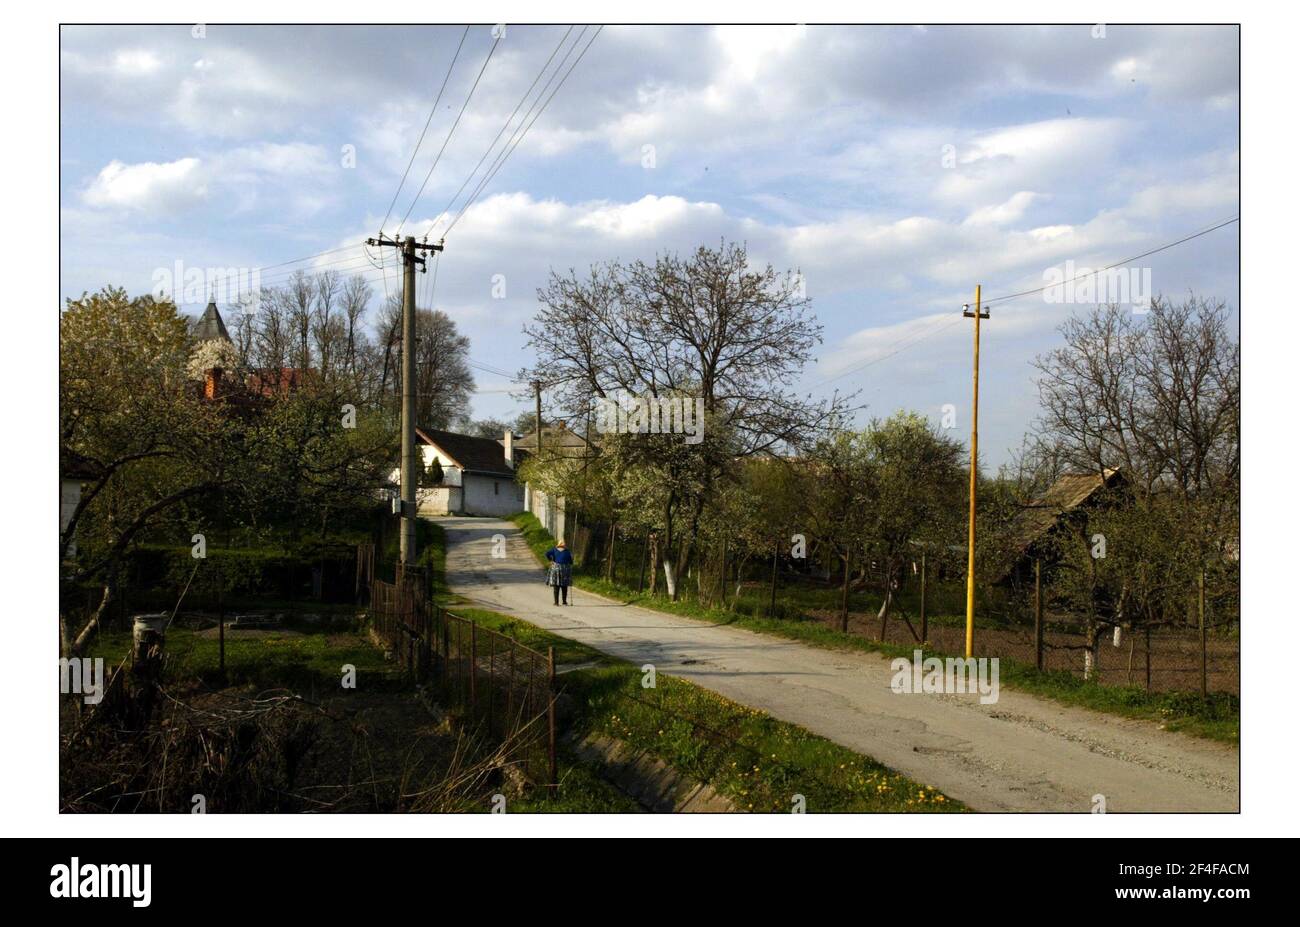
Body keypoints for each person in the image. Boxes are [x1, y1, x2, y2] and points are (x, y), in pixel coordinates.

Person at [545, 539, 574, 605]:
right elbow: (570, 562)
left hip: (556, 568)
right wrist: (572, 560)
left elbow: (547, 553)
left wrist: (550, 560)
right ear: (564, 545)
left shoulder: (554, 550)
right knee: (564, 585)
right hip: (565, 570)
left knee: (556, 585)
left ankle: (556, 602)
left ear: (558, 545)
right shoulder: (567, 551)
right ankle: (564, 601)